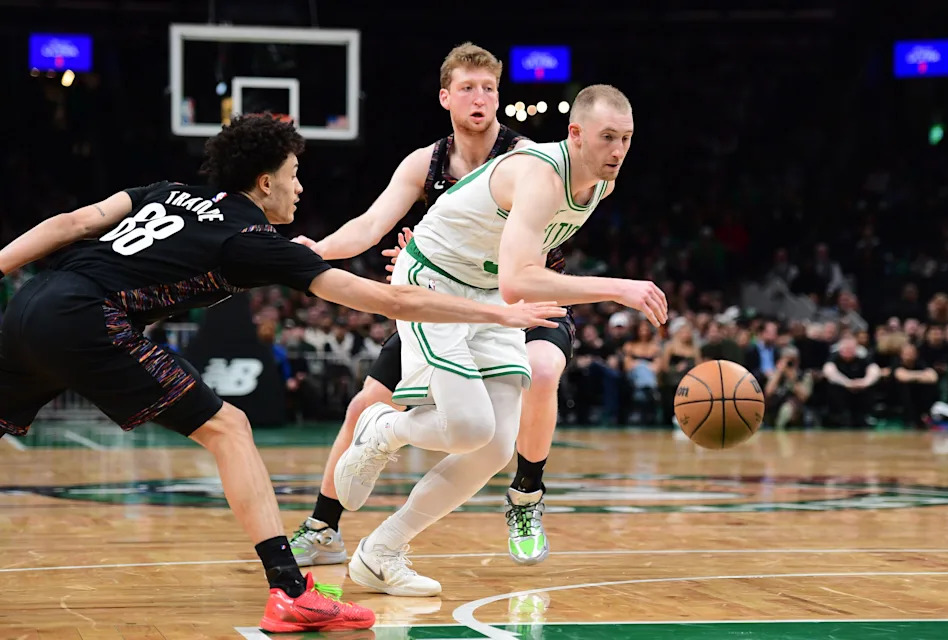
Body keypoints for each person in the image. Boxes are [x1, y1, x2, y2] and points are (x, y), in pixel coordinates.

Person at [0, 114, 563, 631]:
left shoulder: (164, 193)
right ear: (265, 182)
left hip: (30, 304)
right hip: (89, 321)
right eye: (294, 175)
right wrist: (494, 311)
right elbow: (376, 299)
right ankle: (290, 589)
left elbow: (72, 222)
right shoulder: (251, 241)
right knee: (230, 429)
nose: (300, 187)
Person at [333, 84, 668, 597]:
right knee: (468, 427)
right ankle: (384, 429)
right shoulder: (541, 173)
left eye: (626, 138)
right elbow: (520, 279)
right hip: (433, 281)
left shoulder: (601, 184)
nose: (618, 151)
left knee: (493, 448)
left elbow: (508, 278)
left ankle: (380, 553)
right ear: (575, 134)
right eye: (607, 138)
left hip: (487, 295)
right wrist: (619, 287)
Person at [289, 43, 575, 568]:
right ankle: (323, 527)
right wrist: (321, 249)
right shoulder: (425, 162)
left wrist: (424, 247)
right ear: (446, 97)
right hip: (445, 297)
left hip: (523, 297)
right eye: (468, 87)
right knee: (364, 405)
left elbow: (524, 249)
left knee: (542, 366)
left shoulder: (529, 158)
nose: (480, 98)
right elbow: (372, 226)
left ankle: (526, 497)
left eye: (489, 88)